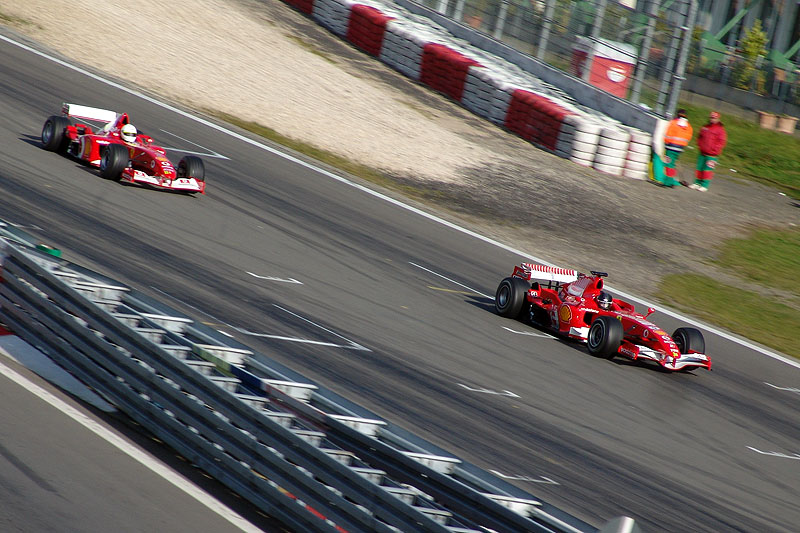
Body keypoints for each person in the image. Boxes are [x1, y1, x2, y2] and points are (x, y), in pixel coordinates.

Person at [689, 111, 727, 192]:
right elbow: (699, 137)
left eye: (714, 118)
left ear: (718, 119)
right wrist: (699, 145)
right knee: (699, 168)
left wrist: (714, 150)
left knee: (707, 170)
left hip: (712, 154)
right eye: (711, 118)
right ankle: (697, 183)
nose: (712, 119)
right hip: (702, 152)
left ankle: (704, 185)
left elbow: (721, 142)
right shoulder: (705, 127)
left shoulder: (720, 129)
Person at [660, 109, 693, 187]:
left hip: (671, 147)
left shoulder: (673, 123)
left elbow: (668, 134)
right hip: (680, 148)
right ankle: (671, 181)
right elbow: (688, 137)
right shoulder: (688, 126)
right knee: (673, 164)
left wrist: (666, 144)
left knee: (669, 165)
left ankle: (667, 182)